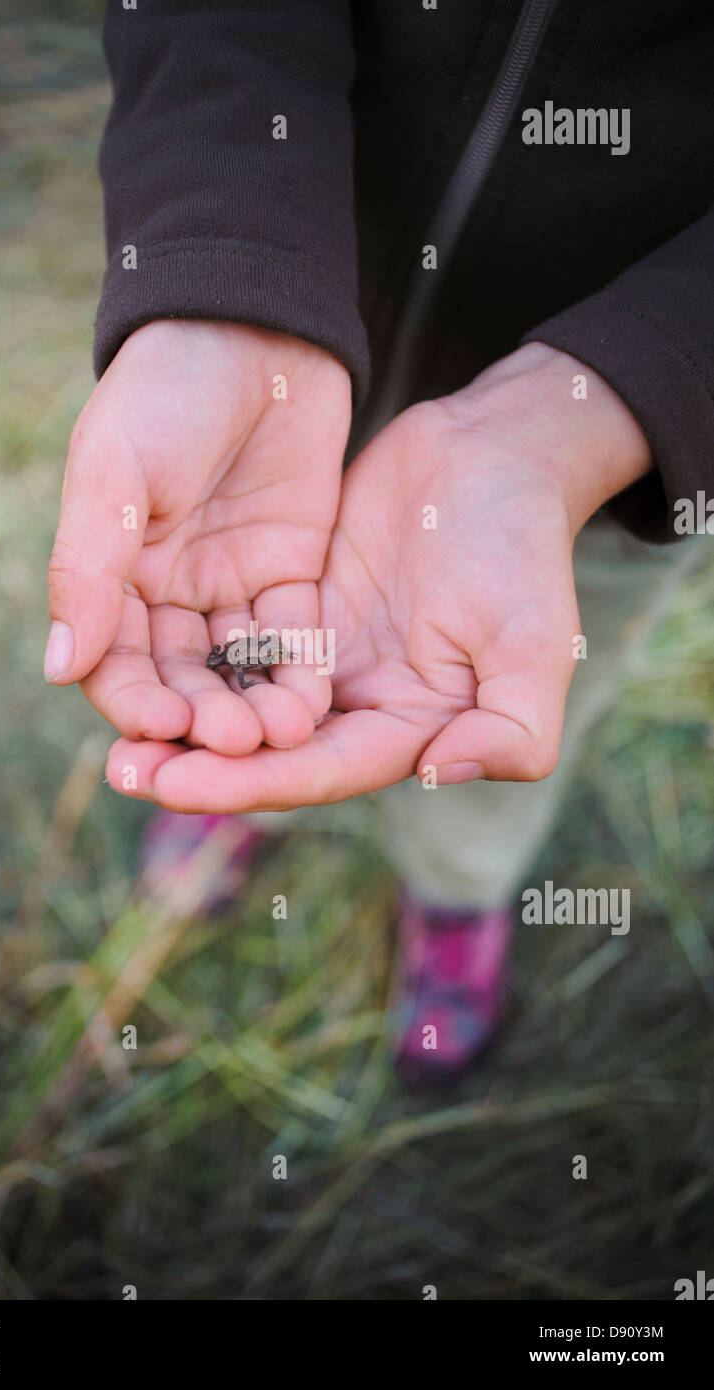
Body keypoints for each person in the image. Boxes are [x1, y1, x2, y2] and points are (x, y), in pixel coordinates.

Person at [45, 2, 714, 1082]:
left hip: (613, 449)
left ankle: (458, 889)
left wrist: (637, 387)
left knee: (492, 684)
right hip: (305, 308)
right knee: (272, 614)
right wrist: (226, 274)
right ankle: (232, 787)